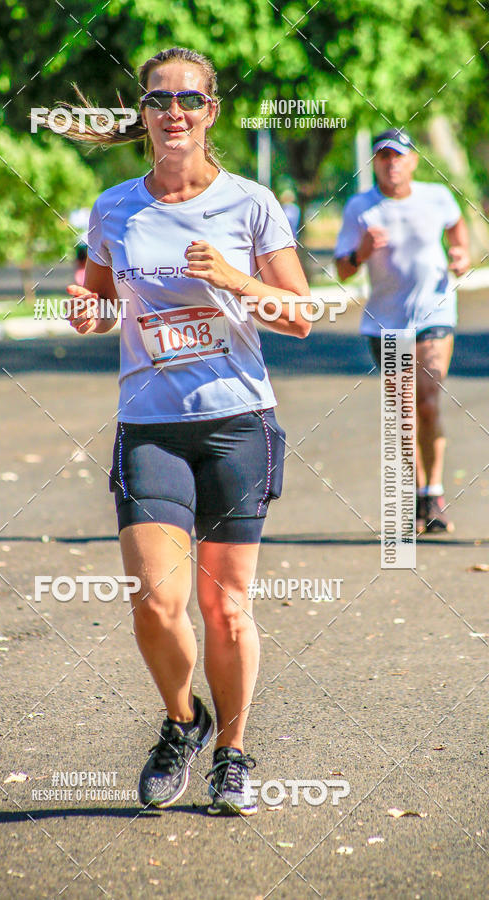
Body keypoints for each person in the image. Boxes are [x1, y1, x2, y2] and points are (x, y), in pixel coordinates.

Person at [54, 47, 311, 815]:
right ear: (142, 112)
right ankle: (182, 722)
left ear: (212, 111)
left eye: (190, 99)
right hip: (151, 427)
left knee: (227, 606)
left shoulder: (251, 203)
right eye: (160, 99)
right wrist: (87, 310)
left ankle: (232, 750)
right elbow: (97, 300)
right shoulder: (115, 208)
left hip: (238, 423)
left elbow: (300, 315)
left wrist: (233, 279)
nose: (175, 112)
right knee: (155, 602)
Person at [334, 128, 470, 534]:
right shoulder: (361, 207)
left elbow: (457, 232)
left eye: (398, 156)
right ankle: (417, 496)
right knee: (406, 412)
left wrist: (461, 255)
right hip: (385, 321)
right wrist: (363, 251)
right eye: (383, 157)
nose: (391, 163)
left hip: (435, 310)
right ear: (375, 163)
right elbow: (342, 269)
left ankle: (435, 491)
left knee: (428, 400)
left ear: (413, 160)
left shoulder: (436, 197)